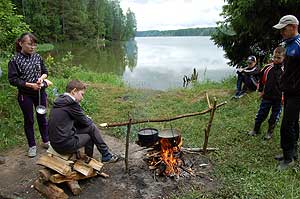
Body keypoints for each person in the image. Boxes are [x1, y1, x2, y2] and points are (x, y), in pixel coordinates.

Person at [48, 80, 118, 163]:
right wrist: (87, 118)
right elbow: (86, 122)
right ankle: (90, 160)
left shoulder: (60, 100)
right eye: (82, 94)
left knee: (91, 128)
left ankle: (105, 155)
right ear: (74, 91)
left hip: (55, 142)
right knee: (90, 133)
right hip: (63, 145)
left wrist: (83, 118)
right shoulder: (71, 103)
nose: (82, 98)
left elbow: (72, 120)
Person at [8, 32, 49, 158]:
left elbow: (45, 72)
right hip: (25, 94)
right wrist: (30, 85)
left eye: (34, 45)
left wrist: (41, 78)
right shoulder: (14, 60)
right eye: (30, 44)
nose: (32, 47)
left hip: (40, 92)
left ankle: (46, 140)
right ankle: (32, 145)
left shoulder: (37, 57)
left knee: (42, 116)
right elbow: (13, 80)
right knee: (29, 119)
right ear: (21, 44)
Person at [273, 15, 300, 170]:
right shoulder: (288, 44)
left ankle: (288, 159)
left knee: (286, 125)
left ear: (293, 27)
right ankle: (293, 152)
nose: (282, 32)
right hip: (289, 91)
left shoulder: (298, 44)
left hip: (297, 93)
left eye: (284, 29)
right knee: (293, 123)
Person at [248, 47, 285, 140]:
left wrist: (285, 97)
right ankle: (256, 129)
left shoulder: (286, 70)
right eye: (274, 57)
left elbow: (288, 84)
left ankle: (270, 132)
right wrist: (260, 91)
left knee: (274, 116)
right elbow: (261, 80)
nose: (276, 59)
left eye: (279, 58)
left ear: (284, 58)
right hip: (267, 96)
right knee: (261, 113)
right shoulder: (267, 68)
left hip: (279, 98)